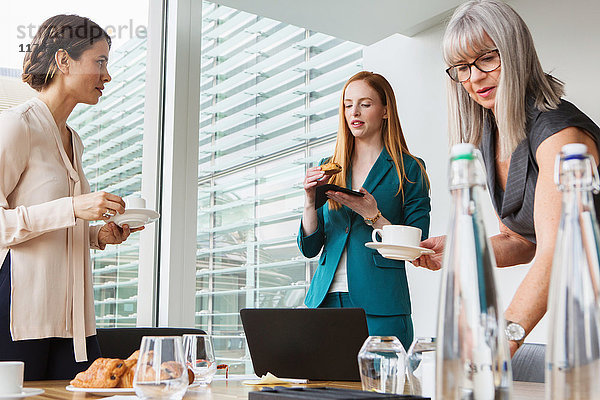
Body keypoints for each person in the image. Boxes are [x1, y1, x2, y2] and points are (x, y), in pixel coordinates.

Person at [413, 0, 600, 356]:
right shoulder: (491, 131)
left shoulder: (561, 134)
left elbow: (558, 250)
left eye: (486, 58)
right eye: (462, 67)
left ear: (515, 52)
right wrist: (458, 248)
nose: (474, 78)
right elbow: (519, 239)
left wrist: (501, 340)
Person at [0, 14, 144, 380]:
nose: (107, 76)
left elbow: (59, 223)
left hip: (75, 318)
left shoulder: (73, 139)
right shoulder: (18, 125)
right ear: (64, 61)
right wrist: (72, 207)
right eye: (100, 62)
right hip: (22, 314)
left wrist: (98, 235)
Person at [298, 71, 431, 350]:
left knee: (382, 391)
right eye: (348, 104)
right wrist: (310, 201)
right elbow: (310, 248)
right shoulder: (328, 166)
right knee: (324, 391)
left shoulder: (409, 169)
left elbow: (416, 247)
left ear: (385, 110)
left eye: (365, 104)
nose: (354, 112)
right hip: (324, 302)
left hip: (381, 306)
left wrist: (373, 215)